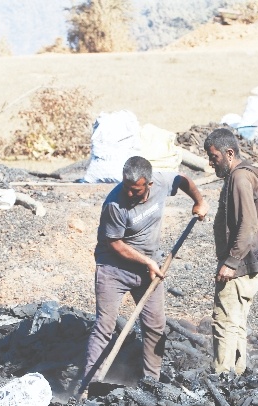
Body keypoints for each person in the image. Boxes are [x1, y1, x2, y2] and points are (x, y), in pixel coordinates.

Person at [83, 156, 208, 388]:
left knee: (155, 325)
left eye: (136, 190)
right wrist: (148, 262)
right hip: (113, 268)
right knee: (105, 326)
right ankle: (89, 385)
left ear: (149, 184)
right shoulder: (114, 204)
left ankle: (151, 382)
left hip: (149, 268)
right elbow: (115, 244)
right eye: (127, 187)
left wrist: (199, 201)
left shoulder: (161, 182)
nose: (129, 193)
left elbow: (182, 179)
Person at [203, 128, 258, 375]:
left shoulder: (240, 179)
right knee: (236, 322)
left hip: (240, 265)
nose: (211, 163)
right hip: (247, 262)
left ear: (229, 153)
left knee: (224, 321)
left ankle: (221, 377)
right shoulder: (241, 176)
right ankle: (237, 373)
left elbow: (248, 224)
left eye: (214, 157)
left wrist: (231, 262)